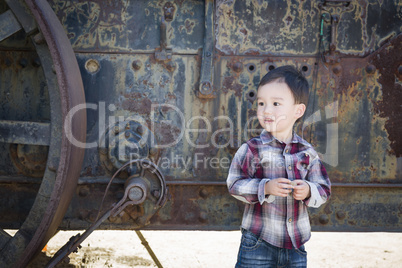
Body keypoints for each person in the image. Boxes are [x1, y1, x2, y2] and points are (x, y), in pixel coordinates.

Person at [227, 65, 331, 268]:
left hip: (296, 245)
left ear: (298, 111)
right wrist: (265, 187)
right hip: (258, 241)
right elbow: (234, 184)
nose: (266, 110)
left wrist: (309, 190)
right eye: (261, 103)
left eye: (276, 103)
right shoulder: (252, 149)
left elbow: (324, 189)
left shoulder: (307, 152)